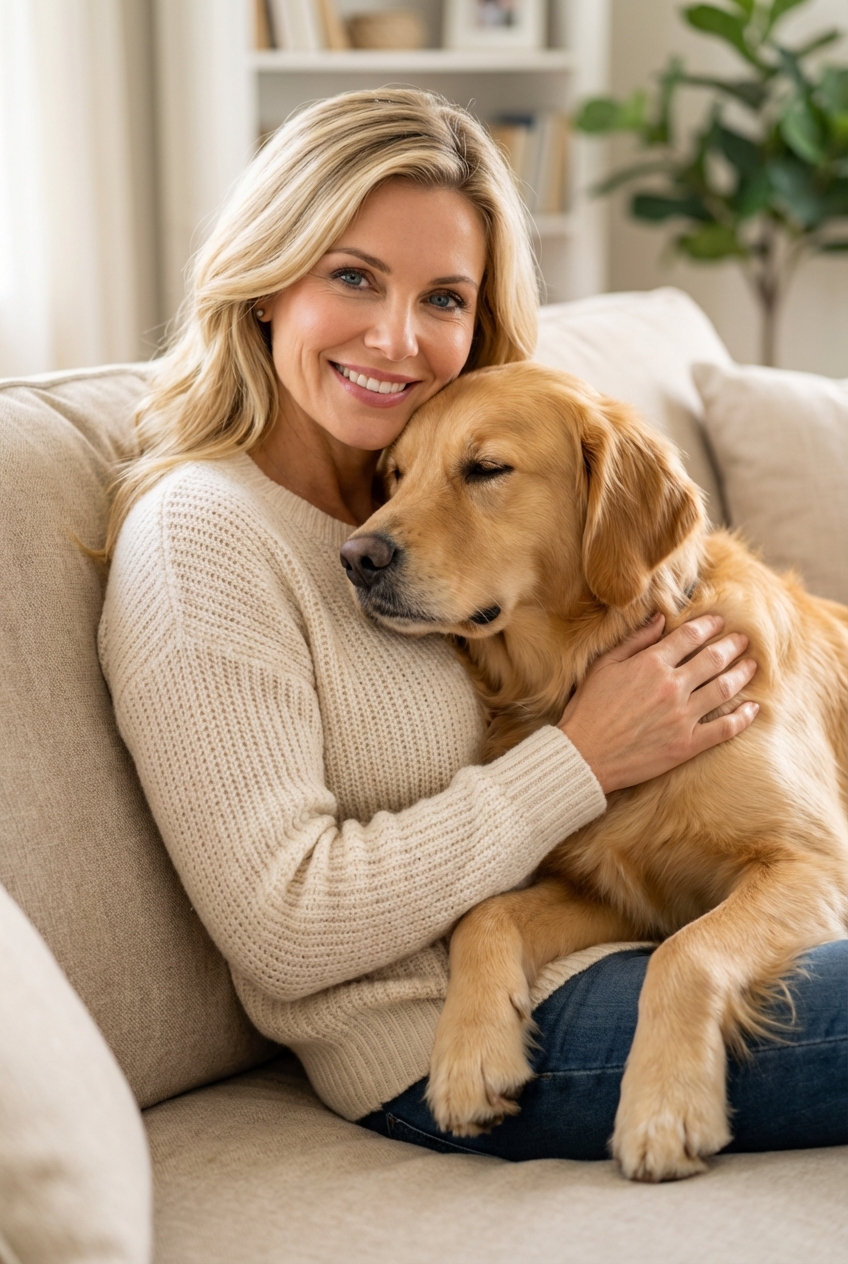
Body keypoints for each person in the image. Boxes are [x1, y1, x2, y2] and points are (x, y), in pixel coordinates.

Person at [98, 88, 846, 1165]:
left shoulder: (390, 491)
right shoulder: (201, 539)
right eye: (352, 275)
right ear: (266, 284)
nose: (397, 337)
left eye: (442, 297)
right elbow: (284, 925)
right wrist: (579, 756)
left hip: (584, 962)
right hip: (438, 1045)